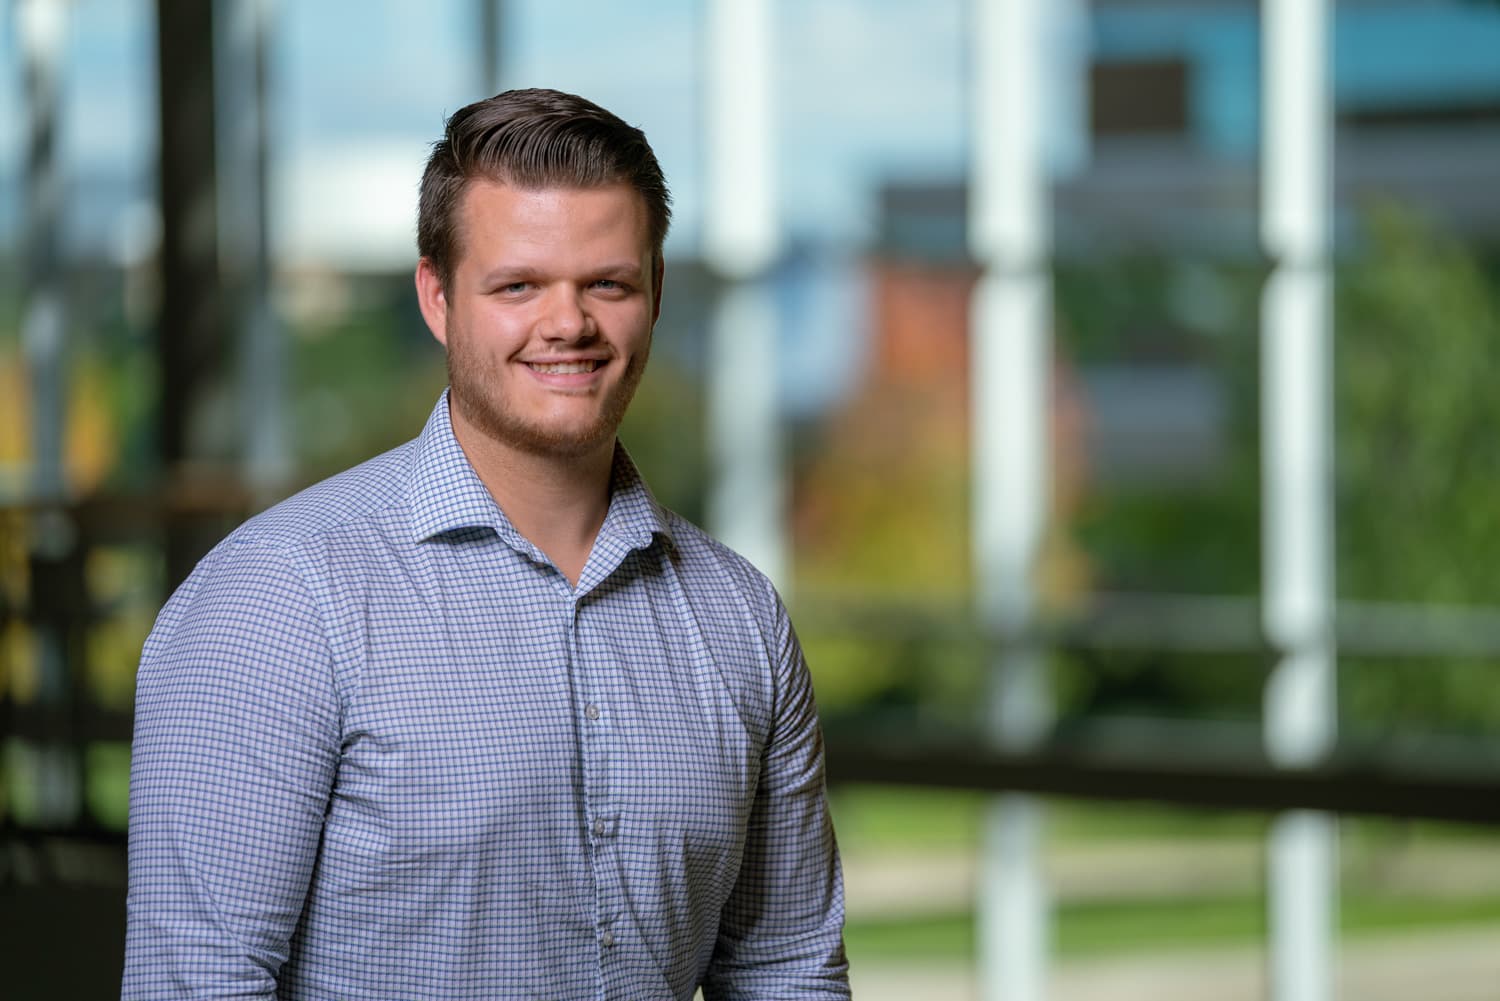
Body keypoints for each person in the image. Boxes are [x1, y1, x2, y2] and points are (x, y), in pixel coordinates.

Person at [123, 88, 849, 1000]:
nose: (569, 324)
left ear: (657, 291)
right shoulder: (279, 599)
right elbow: (198, 983)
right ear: (437, 297)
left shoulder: (739, 615)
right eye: (518, 285)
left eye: (607, 283)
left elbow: (787, 969)